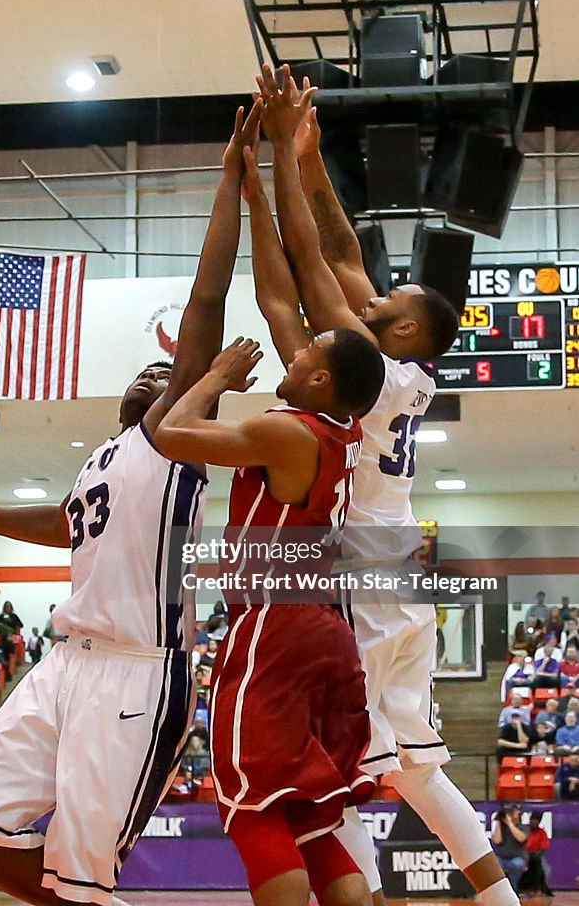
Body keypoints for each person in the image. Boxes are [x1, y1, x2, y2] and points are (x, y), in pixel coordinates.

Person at [0, 102, 261, 906]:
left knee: (83, 869)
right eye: (147, 373)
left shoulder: (171, 441)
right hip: (66, 665)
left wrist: (229, 180)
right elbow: (62, 526)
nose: (151, 377)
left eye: (168, 377)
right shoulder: (104, 456)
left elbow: (203, 302)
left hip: (135, 674)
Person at [254, 63, 514, 906]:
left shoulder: (370, 372)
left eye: (387, 294)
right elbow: (337, 248)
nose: (373, 285)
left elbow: (311, 259)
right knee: (412, 763)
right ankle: (499, 898)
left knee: (344, 765)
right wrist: (310, 156)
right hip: (397, 557)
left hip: (366, 562)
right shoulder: (406, 370)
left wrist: (280, 170)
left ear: (399, 328)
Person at [156, 130, 385, 906]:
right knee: (309, 815)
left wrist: (214, 376)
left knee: (248, 801)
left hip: (275, 624)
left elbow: (170, 432)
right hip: (325, 629)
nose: (291, 352)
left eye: (304, 352)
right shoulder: (340, 425)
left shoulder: (285, 429)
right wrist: (256, 195)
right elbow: (279, 296)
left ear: (319, 375)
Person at [491, 806, 527, 893]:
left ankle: (512, 890)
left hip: (516, 857)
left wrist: (510, 824)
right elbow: (497, 840)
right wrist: (500, 822)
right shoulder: (501, 828)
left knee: (517, 864)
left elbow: (521, 838)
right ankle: (497, 891)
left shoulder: (523, 827)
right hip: (501, 857)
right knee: (493, 865)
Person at [521, 813, 552, 896]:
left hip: (536, 855)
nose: (533, 822)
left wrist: (536, 855)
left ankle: (539, 888)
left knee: (546, 869)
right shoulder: (524, 829)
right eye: (532, 820)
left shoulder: (542, 832)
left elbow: (544, 847)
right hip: (523, 854)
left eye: (536, 820)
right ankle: (524, 888)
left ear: (539, 822)